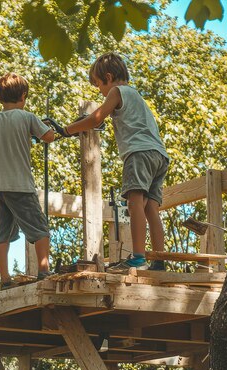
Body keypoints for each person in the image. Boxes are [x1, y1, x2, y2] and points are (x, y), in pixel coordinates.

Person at [59, 52, 169, 273]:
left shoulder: (117, 91)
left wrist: (67, 130)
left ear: (108, 78)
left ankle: (138, 258)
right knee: (151, 209)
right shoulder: (137, 96)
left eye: (99, 85)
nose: (100, 90)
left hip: (138, 153)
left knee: (134, 202)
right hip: (159, 156)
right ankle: (159, 261)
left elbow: (97, 117)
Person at [0, 72, 54, 289]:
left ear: (0, 97)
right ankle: (44, 271)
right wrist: (45, 127)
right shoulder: (27, 117)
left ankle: (5, 278)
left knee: (2, 232)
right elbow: (49, 136)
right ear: (23, 95)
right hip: (20, 185)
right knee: (40, 228)